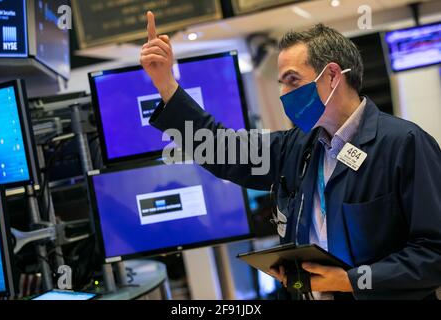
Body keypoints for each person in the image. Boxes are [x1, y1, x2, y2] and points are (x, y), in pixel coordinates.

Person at [140, 11, 441, 299]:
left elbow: (434, 253)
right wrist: (166, 85)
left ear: (333, 75)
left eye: (293, 80)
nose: (284, 93)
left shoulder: (404, 144)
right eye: (282, 82)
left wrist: (353, 281)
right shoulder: (297, 146)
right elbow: (223, 151)